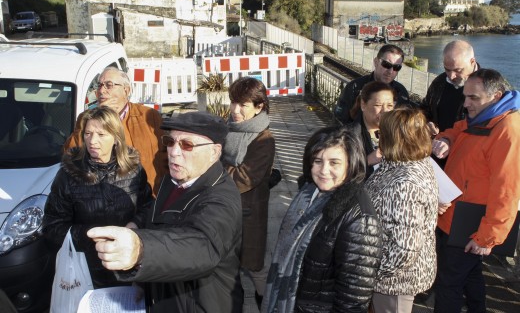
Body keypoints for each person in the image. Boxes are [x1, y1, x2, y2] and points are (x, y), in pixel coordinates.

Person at [87, 111, 243, 313]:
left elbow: (202, 245)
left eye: (187, 145)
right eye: (170, 142)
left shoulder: (222, 198)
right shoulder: (173, 179)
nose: (174, 152)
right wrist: (136, 225)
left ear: (214, 152)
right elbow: (159, 212)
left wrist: (140, 250)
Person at [262, 126, 383, 312]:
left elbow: (352, 301)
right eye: (318, 161)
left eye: (334, 163)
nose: (324, 171)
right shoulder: (310, 193)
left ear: (351, 163)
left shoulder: (359, 218)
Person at [432, 69, 520, 313]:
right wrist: (447, 139)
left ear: (496, 96)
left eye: (473, 98)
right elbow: (460, 128)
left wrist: (487, 237)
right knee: (471, 278)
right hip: (457, 217)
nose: (466, 103)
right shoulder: (486, 117)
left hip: (469, 225)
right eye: (465, 96)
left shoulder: (508, 131)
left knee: (448, 285)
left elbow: (507, 190)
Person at [43, 106, 152, 288]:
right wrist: (91, 236)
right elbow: (52, 227)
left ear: (116, 138)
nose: (92, 141)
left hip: (127, 271)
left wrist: (135, 224)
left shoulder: (134, 170)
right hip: (84, 274)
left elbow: (149, 207)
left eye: (101, 135)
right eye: (88, 133)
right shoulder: (69, 174)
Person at [365, 108, 438, 313]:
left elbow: (403, 250)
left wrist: (370, 273)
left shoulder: (404, 184)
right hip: (397, 276)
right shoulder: (413, 162)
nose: (378, 139)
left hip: (395, 283)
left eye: (381, 134)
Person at [64, 67, 167, 195]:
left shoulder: (149, 116)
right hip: (104, 201)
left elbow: (165, 157)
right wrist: (101, 116)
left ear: (126, 90)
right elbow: (71, 157)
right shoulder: (87, 118)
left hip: (148, 199)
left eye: (109, 85)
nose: (101, 90)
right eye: (100, 85)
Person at [221, 77, 275, 307]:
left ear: (258, 107)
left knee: (256, 268)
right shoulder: (228, 128)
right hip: (226, 209)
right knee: (229, 268)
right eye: (233, 102)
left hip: (249, 213)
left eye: (242, 104)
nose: (235, 110)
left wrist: (213, 168)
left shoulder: (264, 139)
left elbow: (243, 178)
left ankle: (266, 305)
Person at [334, 44, 410, 125]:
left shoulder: (402, 93)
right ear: (376, 62)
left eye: (397, 67)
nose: (390, 71)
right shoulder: (354, 88)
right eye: (386, 64)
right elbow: (339, 120)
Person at [421, 40, 479, 139]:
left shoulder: (488, 88)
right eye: (447, 69)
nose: (451, 76)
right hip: (437, 147)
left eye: (458, 70)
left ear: (472, 62)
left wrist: (450, 140)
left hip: (466, 150)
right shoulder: (439, 81)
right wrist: (427, 122)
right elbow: (425, 108)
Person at [348, 81, 395, 179]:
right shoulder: (347, 137)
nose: (385, 111)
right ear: (363, 105)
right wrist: (367, 161)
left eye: (389, 106)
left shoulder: (398, 133)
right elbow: (338, 173)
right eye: (378, 105)